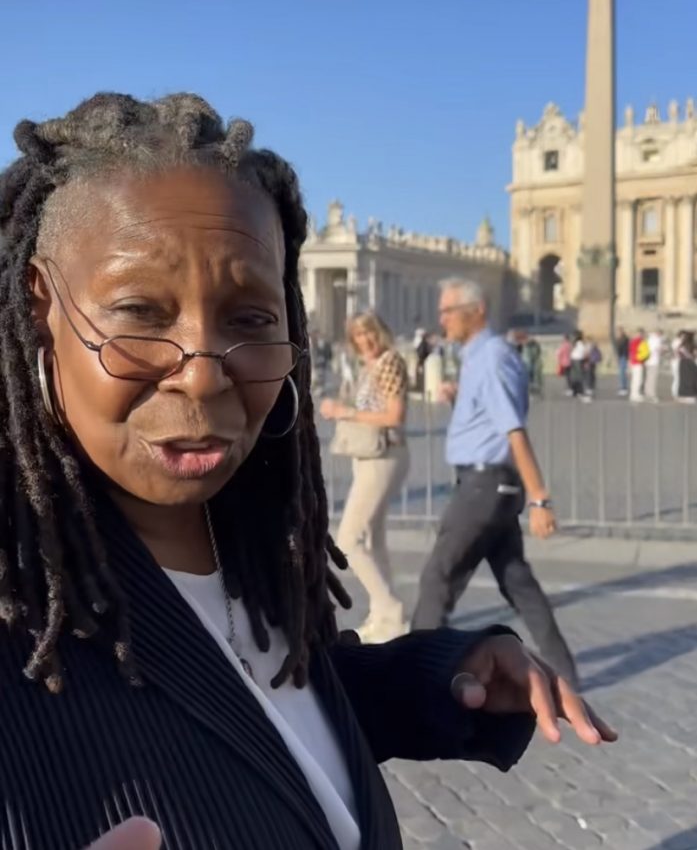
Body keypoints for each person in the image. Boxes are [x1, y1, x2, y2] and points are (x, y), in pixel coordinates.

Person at [0, 95, 616, 848]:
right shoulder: (20, 599)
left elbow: (257, 707)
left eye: (250, 319)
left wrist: (427, 676)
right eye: (141, 311)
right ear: (39, 310)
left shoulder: (247, 540)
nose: (202, 374)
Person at [411, 278, 579, 686]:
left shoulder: (490, 357)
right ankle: (565, 675)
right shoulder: (479, 357)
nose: (442, 319)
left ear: (477, 311)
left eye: (449, 311)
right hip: (492, 486)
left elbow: (513, 431)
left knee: (439, 578)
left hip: (484, 487)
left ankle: (414, 674)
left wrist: (540, 499)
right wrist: (459, 399)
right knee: (518, 583)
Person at [320, 312, 410, 641]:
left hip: (384, 455)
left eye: (369, 334)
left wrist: (345, 412)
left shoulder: (389, 362)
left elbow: (394, 414)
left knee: (348, 540)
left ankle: (391, 609)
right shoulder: (367, 366)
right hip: (368, 455)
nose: (364, 341)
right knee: (372, 539)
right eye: (358, 336)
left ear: (380, 333)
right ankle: (384, 617)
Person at [676, 331, 697, 403]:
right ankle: (690, 395)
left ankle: (682, 395)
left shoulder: (682, 344)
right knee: (691, 378)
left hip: (682, 363)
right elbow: (696, 353)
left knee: (683, 378)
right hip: (690, 363)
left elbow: (678, 352)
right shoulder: (693, 344)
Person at [644, 329, 665, 403]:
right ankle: (652, 395)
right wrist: (663, 349)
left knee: (648, 378)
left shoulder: (649, 338)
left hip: (648, 361)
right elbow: (658, 350)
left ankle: (647, 393)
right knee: (653, 379)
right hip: (654, 361)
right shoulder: (657, 340)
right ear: (659, 333)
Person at [628, 328, 649, 403]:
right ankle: (635, 395)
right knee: (637, 379)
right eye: (641, 334)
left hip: (635, 362)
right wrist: (641, 357)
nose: (642, 335)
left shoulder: (634, 341)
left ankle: (635, 394)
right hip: (637, 362)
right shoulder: (638, 341)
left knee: (636, 379)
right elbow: (636, 352)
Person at [569, 332, 589, 399]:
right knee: (579, 376)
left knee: (574, 376)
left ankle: (575, 391)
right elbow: (585, 353)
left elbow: (571, 352)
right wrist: (586, 361)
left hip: (574, 360)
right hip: (578, 360)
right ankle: (579, 391)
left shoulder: (574, 343)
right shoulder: (581, 344)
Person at [615, 326, 630, 396]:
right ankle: (623, 388)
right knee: (621, 373)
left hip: (623, 357)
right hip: (621, 357)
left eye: (618, 332)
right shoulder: (620, 339)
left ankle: (623, 388)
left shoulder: (624, 339)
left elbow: (622, 349)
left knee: (622, 373)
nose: (618, 333)